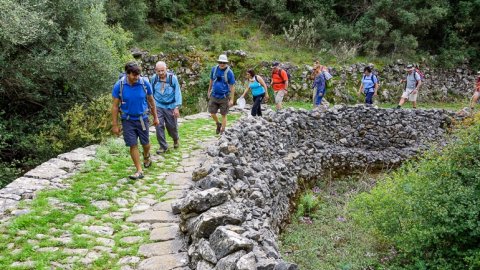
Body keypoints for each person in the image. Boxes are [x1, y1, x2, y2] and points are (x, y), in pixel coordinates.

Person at [112, 62, 159, 180]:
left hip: (142, 119)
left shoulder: (144, 83)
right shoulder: (119, 85)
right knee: (132, 144)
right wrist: (115, 125)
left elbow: (151, 101)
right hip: (127, 120)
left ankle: (146, 155)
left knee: (146, 143)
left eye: (138, 75)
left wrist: (156, 117)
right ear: (127, 74)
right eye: (134, 75)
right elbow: (115, 106)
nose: (136, 77)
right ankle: (139, 170)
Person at [150, 61, 182, 154]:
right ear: (156, 70)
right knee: (158, 125)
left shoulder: (173, 79)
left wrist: (176, 107)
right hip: (158, 105)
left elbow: (178, 92)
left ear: (166, 69)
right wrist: (151, 106)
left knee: (172, 127)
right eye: (158, 71)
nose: (160, 73)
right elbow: (150, 93)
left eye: (162, 71)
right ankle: (163, 146)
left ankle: (175, 139)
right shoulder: (154, 79)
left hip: (170, 106)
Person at [208, 54, 236, 134]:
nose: (222, 64)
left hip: (224, 97)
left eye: (223, 62)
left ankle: (222, 131)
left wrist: (231, 99)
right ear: (218, 62)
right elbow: (211, 80)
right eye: (220, 62)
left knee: (224, 114)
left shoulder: (229, 72)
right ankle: (218, 123)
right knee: (212, 113)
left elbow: (232, 86)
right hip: (214, 95)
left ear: (226, 63)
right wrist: (209, 90)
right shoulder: (214, 69)